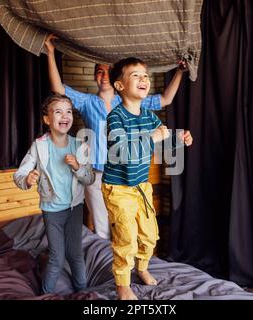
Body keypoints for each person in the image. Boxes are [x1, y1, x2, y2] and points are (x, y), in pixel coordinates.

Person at [44, 34, 187, 240]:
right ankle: (108, 270)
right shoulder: (87, 102)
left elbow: (165, 99)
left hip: (125, 176)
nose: (103, 76)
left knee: (126, 229)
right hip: (95, 174)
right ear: (95, 77)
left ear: (117, 80)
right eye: (99, 72)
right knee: (102, 229)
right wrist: (50, 53)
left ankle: (127, 268)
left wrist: (180, 72)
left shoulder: (130, 102)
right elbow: (58, 89)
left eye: (107, 72)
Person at [101, 57, 193, 300]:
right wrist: (152, 137)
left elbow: (161, 139)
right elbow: (120, 152)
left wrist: (178, 138)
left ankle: (141, 267)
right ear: (120, 86)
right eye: (135, 75)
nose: (144, 79)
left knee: (150, 233)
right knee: (127, 235)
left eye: (146, 75)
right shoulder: (115, 117)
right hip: (118, 187)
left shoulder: (149, 115)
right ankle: (122, 283)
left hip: (141, 185)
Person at [13, 93, 95, 294]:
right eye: (58, 112)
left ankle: (83, 293)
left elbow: (90, 178)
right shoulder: (39, 145)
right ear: (47, 119)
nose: (64, 116)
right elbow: (20, 173)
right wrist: (27, 179)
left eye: (68, 112)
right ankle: (46, 294)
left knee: (75, 253)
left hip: (75, 208)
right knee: (57, 256)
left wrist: (78, 166)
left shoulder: (80, 145)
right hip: (52, 211)